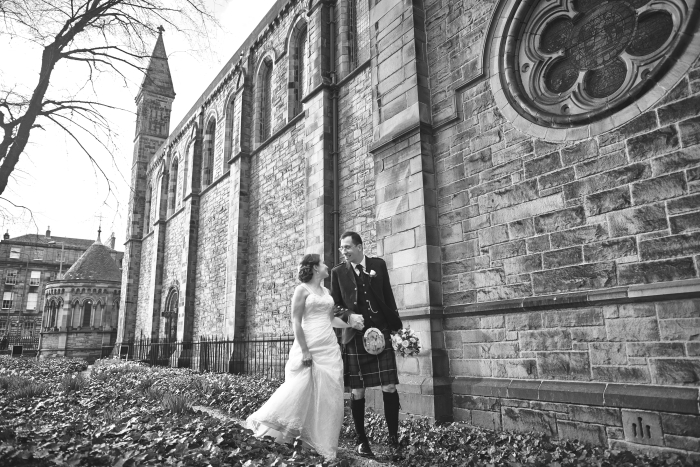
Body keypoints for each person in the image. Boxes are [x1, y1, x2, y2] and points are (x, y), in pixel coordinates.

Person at [246, 253, 350, 460]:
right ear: (314, 268)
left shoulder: (327, 291)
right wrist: (304, 350)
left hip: (328, 345)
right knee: (301, 388)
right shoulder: (301, 291)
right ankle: (273, 421)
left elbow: (331, 320)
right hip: (310, 343)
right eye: (322, 263)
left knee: (329, 393)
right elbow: (296, 321)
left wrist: (351, 324)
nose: (327, 266)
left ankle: (320, 440)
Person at [330, 231, 403, 460]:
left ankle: (393, 440)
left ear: (360, 247)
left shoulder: (378, 266)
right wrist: (350, 316)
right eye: (342, 248)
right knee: (357, 389)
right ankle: (362, 441)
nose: (344, 251)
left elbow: (388, 298)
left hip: (381, 332)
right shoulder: (338, 272)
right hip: (356, 338)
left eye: (348, 247)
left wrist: (397, 330)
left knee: (389, 386)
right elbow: (335, 306)